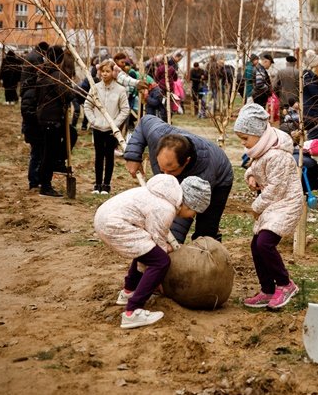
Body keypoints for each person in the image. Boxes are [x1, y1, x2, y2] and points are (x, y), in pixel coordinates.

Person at [94, 174, 211, 329]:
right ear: (189, 204)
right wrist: (157, 278)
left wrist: (161, 249)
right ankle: (133, 311)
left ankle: (129, 291)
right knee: (161, 262)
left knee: (145, 250)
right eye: (194, 213)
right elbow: (157, 240)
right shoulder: (165, 209)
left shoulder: (164, 194)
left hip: (106, 217)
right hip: (115, 225)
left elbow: (151, 243)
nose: (192, 217)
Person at [235, 104, 304, 310]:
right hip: (273, 205)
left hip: (286, 204)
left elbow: (276, 189)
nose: (243, 143)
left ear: (258, 134)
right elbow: (254, 168)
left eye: (245, 138)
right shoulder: (263, 149)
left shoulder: (278, 156)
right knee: (256, 245)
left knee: (265, 243)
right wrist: (251, 176)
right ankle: (267, 289)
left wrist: (256, 206)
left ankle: (285, 284)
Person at [122, 114, 233, 242]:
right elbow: (145, 121)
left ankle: (207, 253)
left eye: (171, 171)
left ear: (186, 161)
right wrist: (133, 156)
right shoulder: (157, 133)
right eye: (161, 167)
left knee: (206, 227)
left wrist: (172, 241)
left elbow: (183, 213)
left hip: (220, 178)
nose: (165, 176)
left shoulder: (203, 176)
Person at [84, 60, 130, 195]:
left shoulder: (120, 89)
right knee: (98, 155)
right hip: (98, 128)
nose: (104, 74)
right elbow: (88, 106)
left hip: (111, 129)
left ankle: (106, 184)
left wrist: (114, 123)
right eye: (102, 71)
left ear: (113, 73)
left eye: (107, 71)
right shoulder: (95, 88)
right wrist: (93, 121)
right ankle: (97, 184)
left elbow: (125, 109)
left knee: (109, 156)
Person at [35, 46, 73, 197]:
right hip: (52, 119)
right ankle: (45, 186)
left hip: (44, 117)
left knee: (71, 135)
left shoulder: (43, 72)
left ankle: (57, 163)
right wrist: (70, 88)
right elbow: (68, 95)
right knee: (48, 153)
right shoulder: (57, 75)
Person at [19, 41, 50, 190]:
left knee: (36, 153)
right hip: (33, 128)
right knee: (36, 154)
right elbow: (28, 113)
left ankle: (35, 179)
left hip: (31, 127)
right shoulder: (37, 57)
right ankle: (33, 180)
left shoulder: (31, 55)